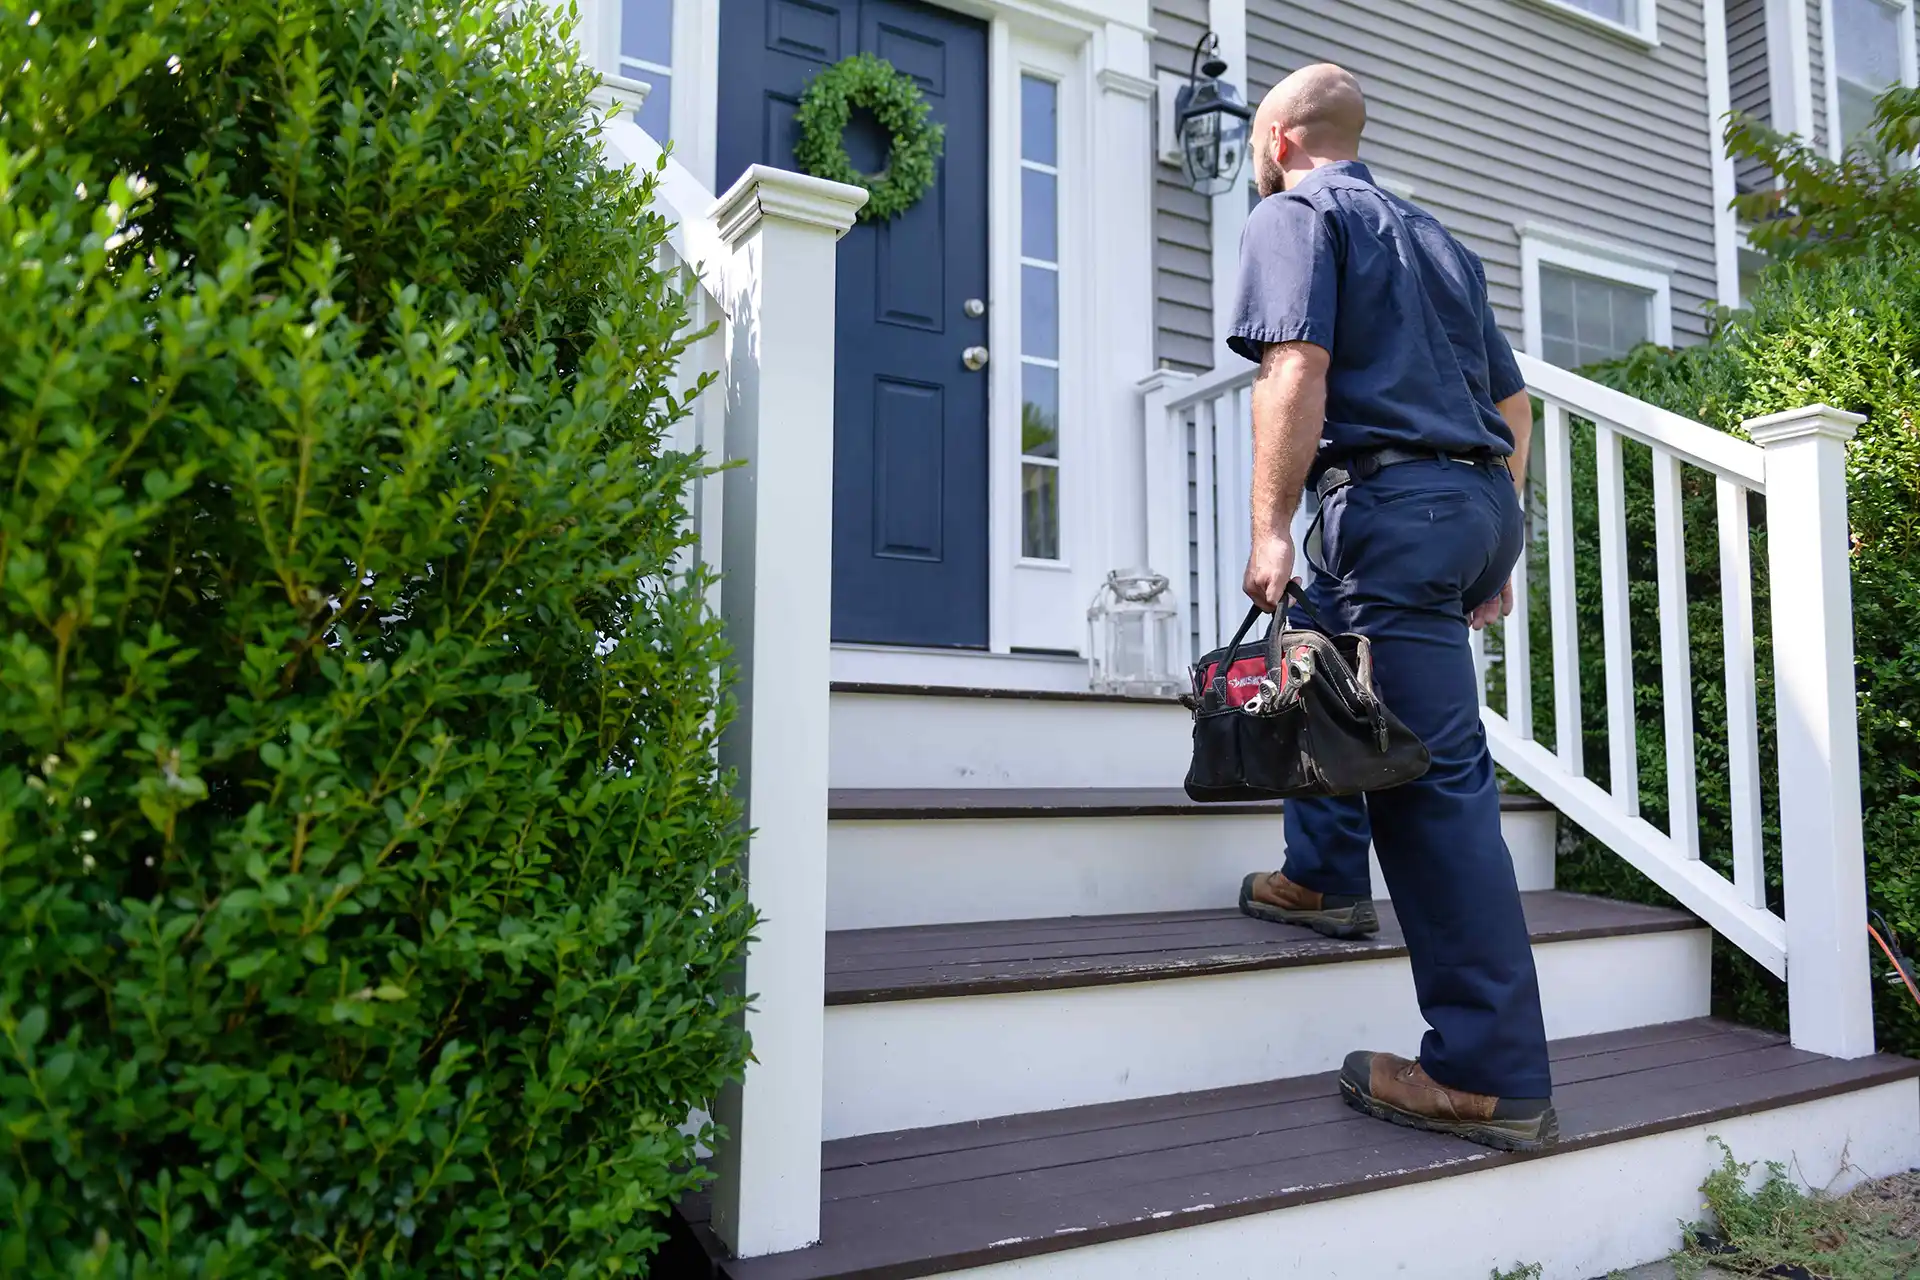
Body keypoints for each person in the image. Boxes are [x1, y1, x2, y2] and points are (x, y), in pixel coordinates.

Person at [1227, 63, 1556, 1152]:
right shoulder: (1437, 240)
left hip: (1391, 502)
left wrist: (1269, 523)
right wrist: (1491, 539)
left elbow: (1296, 364)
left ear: (1279, 141)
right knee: (1324, 652)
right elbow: (1510, 401)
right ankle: (1323, 873)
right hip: (1462, 504)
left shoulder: (1296, 212)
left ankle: (1487, 1071)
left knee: (1432, 783)